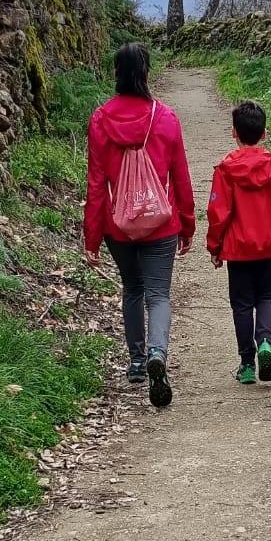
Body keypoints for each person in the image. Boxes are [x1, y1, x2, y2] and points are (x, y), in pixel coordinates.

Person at [84, 43, 195, 408]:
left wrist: (92, 237)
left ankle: (135, 361)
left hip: (118, 225)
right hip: (161, 223)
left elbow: (96, 184)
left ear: (116, 73)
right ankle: (156, 353)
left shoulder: (100, 120)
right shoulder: (166, 118)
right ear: (146, 72)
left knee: (132, 288)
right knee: (158, 294)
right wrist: (188, 224)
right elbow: (181, 176)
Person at [206, 100, 271, 385]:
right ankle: (266, 342)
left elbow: (218, 213)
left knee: (242, 304)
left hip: (238, 250)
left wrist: (215, 246)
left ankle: (247, 363)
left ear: (234, 132)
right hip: (268, 247)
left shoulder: (226, 169)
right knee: (265, 297)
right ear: (264, 133)